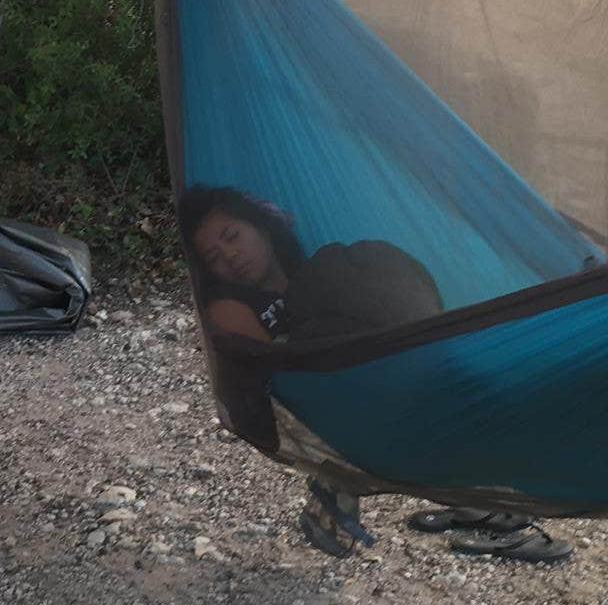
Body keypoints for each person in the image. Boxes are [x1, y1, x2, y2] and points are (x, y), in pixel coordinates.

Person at [180, 186, 570, 564]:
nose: (230, 256)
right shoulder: (229, 306)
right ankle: (488, 503)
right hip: (336, 393)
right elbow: (277, 370)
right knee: (453, 398)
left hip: (393, 371)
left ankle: (483, 503)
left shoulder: (314, 272)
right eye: (214, 257)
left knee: (371, 268)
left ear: (262, 226)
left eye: (232, 236)